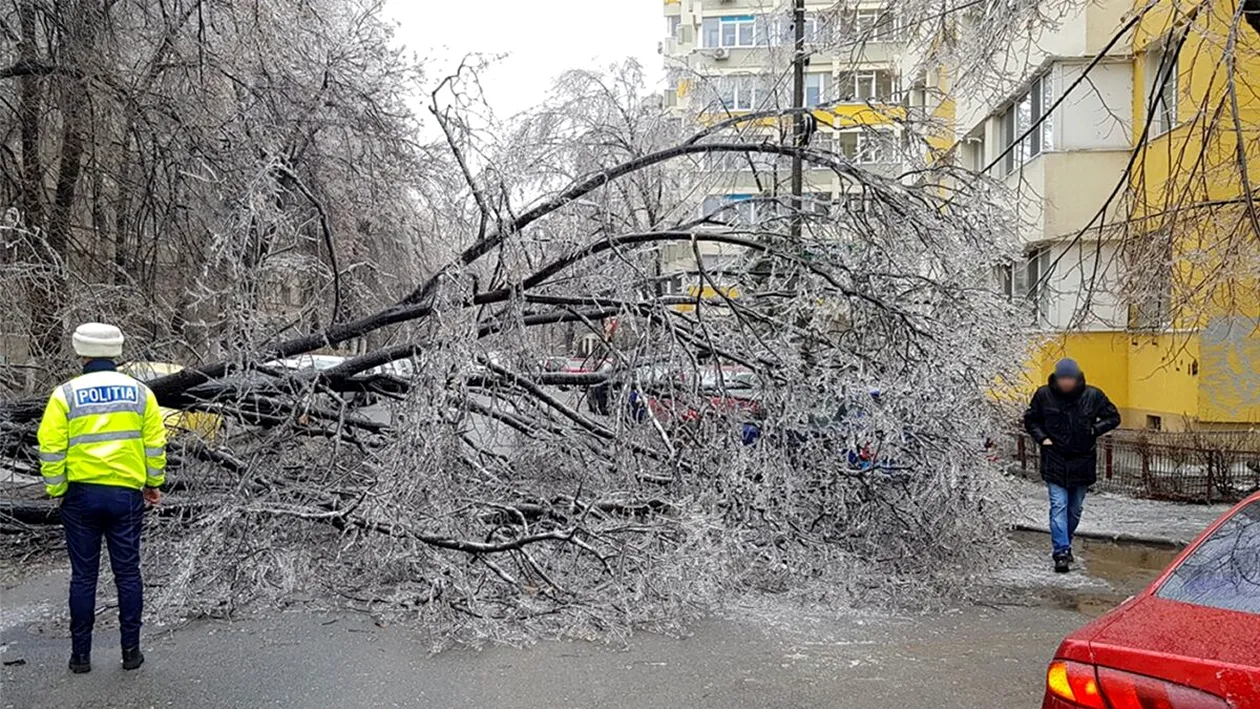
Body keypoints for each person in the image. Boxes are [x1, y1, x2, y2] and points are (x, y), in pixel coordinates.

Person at [36, 323, 167, 673]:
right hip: (126, 495)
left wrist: (57, 490)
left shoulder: (64, 395)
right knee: (127, 574)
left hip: (80, 496)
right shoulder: (141, 393)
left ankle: (80, 657)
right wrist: (152, 483)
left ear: (82, 352)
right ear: (117, 352)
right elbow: (154, 444)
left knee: (83, 577)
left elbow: (50, 449)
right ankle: (131, 653)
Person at [1023, 358, 1120, 573]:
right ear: (1056, 378)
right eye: (1063, 378)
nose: (1066, 383)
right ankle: (1061, 552)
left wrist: (1094, 430)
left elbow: (1113, 417)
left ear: (1077, 378)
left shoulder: (1093, 396)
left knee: (1074, 509)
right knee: (1058, 506)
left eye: (1070, 378)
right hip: (1054, 459)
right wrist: (1043, 438)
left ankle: (1066, 540)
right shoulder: (1043, 395)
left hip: (1082, 460)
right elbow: (1031, 420)